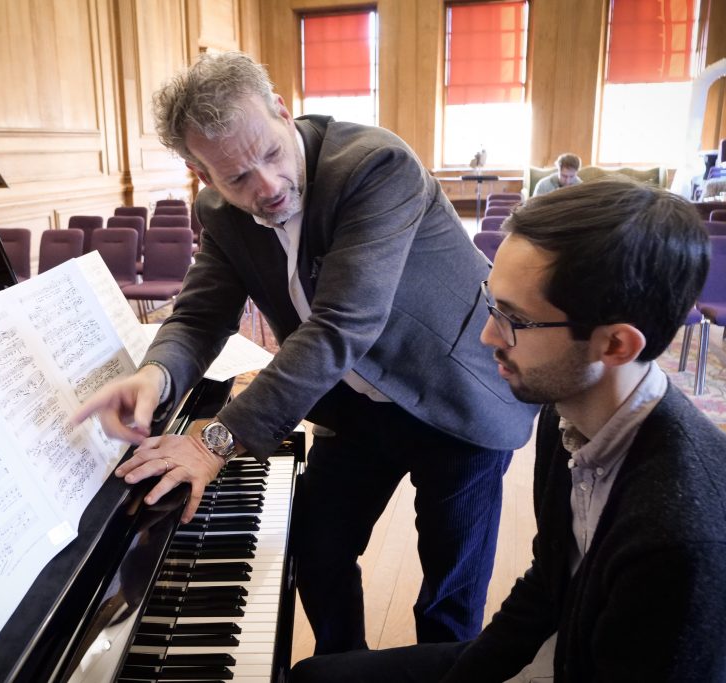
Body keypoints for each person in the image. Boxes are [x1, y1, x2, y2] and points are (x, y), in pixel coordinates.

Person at [74, 51, 537, 654]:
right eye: (235, 177)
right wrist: (157, 376)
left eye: (270, 153)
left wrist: (214, 441)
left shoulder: (375, 165)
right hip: (354, 405)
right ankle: (342, 668)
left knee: (448, 588)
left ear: (282, 112)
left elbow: (342, 325)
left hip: (453, 391)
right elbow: (199, 314)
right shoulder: (219, 212)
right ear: (202, 174)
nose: (265, 188)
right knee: (317, 547)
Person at [291, 177, 726, 682]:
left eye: (514, 319)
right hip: (562, 649)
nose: (487, 335)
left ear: (615, 345)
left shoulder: (686, 548)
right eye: (491, 303)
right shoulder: (567, 414)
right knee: (315, 677)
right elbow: (549, 584)